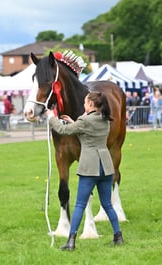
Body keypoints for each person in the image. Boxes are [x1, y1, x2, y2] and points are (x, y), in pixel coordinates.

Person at [45, 91, 123, 251]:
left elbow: (63, 130)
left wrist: (50, 117)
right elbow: (87, 133)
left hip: (90, 167)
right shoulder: (106, 119)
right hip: (106, 166)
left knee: (79, 204)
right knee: (107, 204)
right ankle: (118, 236)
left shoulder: (85, 121)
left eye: (86, 103)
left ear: (91, 105)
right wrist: (75, 122)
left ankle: (71, 240)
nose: (83, 105)